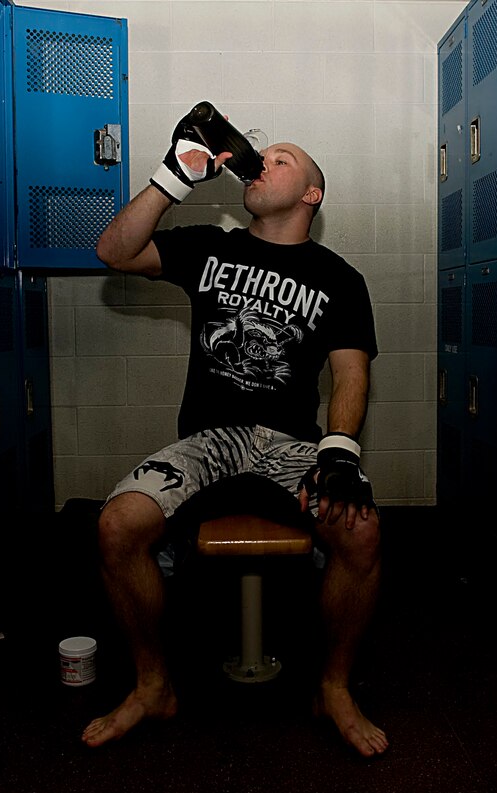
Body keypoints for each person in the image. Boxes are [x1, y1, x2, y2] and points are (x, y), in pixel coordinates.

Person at [81, 112, 389, 758]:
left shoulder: (339, 279)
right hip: (209, 441)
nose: (263, 162)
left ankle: (332, 687)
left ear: (312, 194)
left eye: (283, 158)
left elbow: (350, 372)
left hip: (289, 445)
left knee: (361, 531)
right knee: (116, 525)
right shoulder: (209, 246)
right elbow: (113, 251)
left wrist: (339, 451)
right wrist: (175, 176)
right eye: (262, 154)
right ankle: (153, 684)